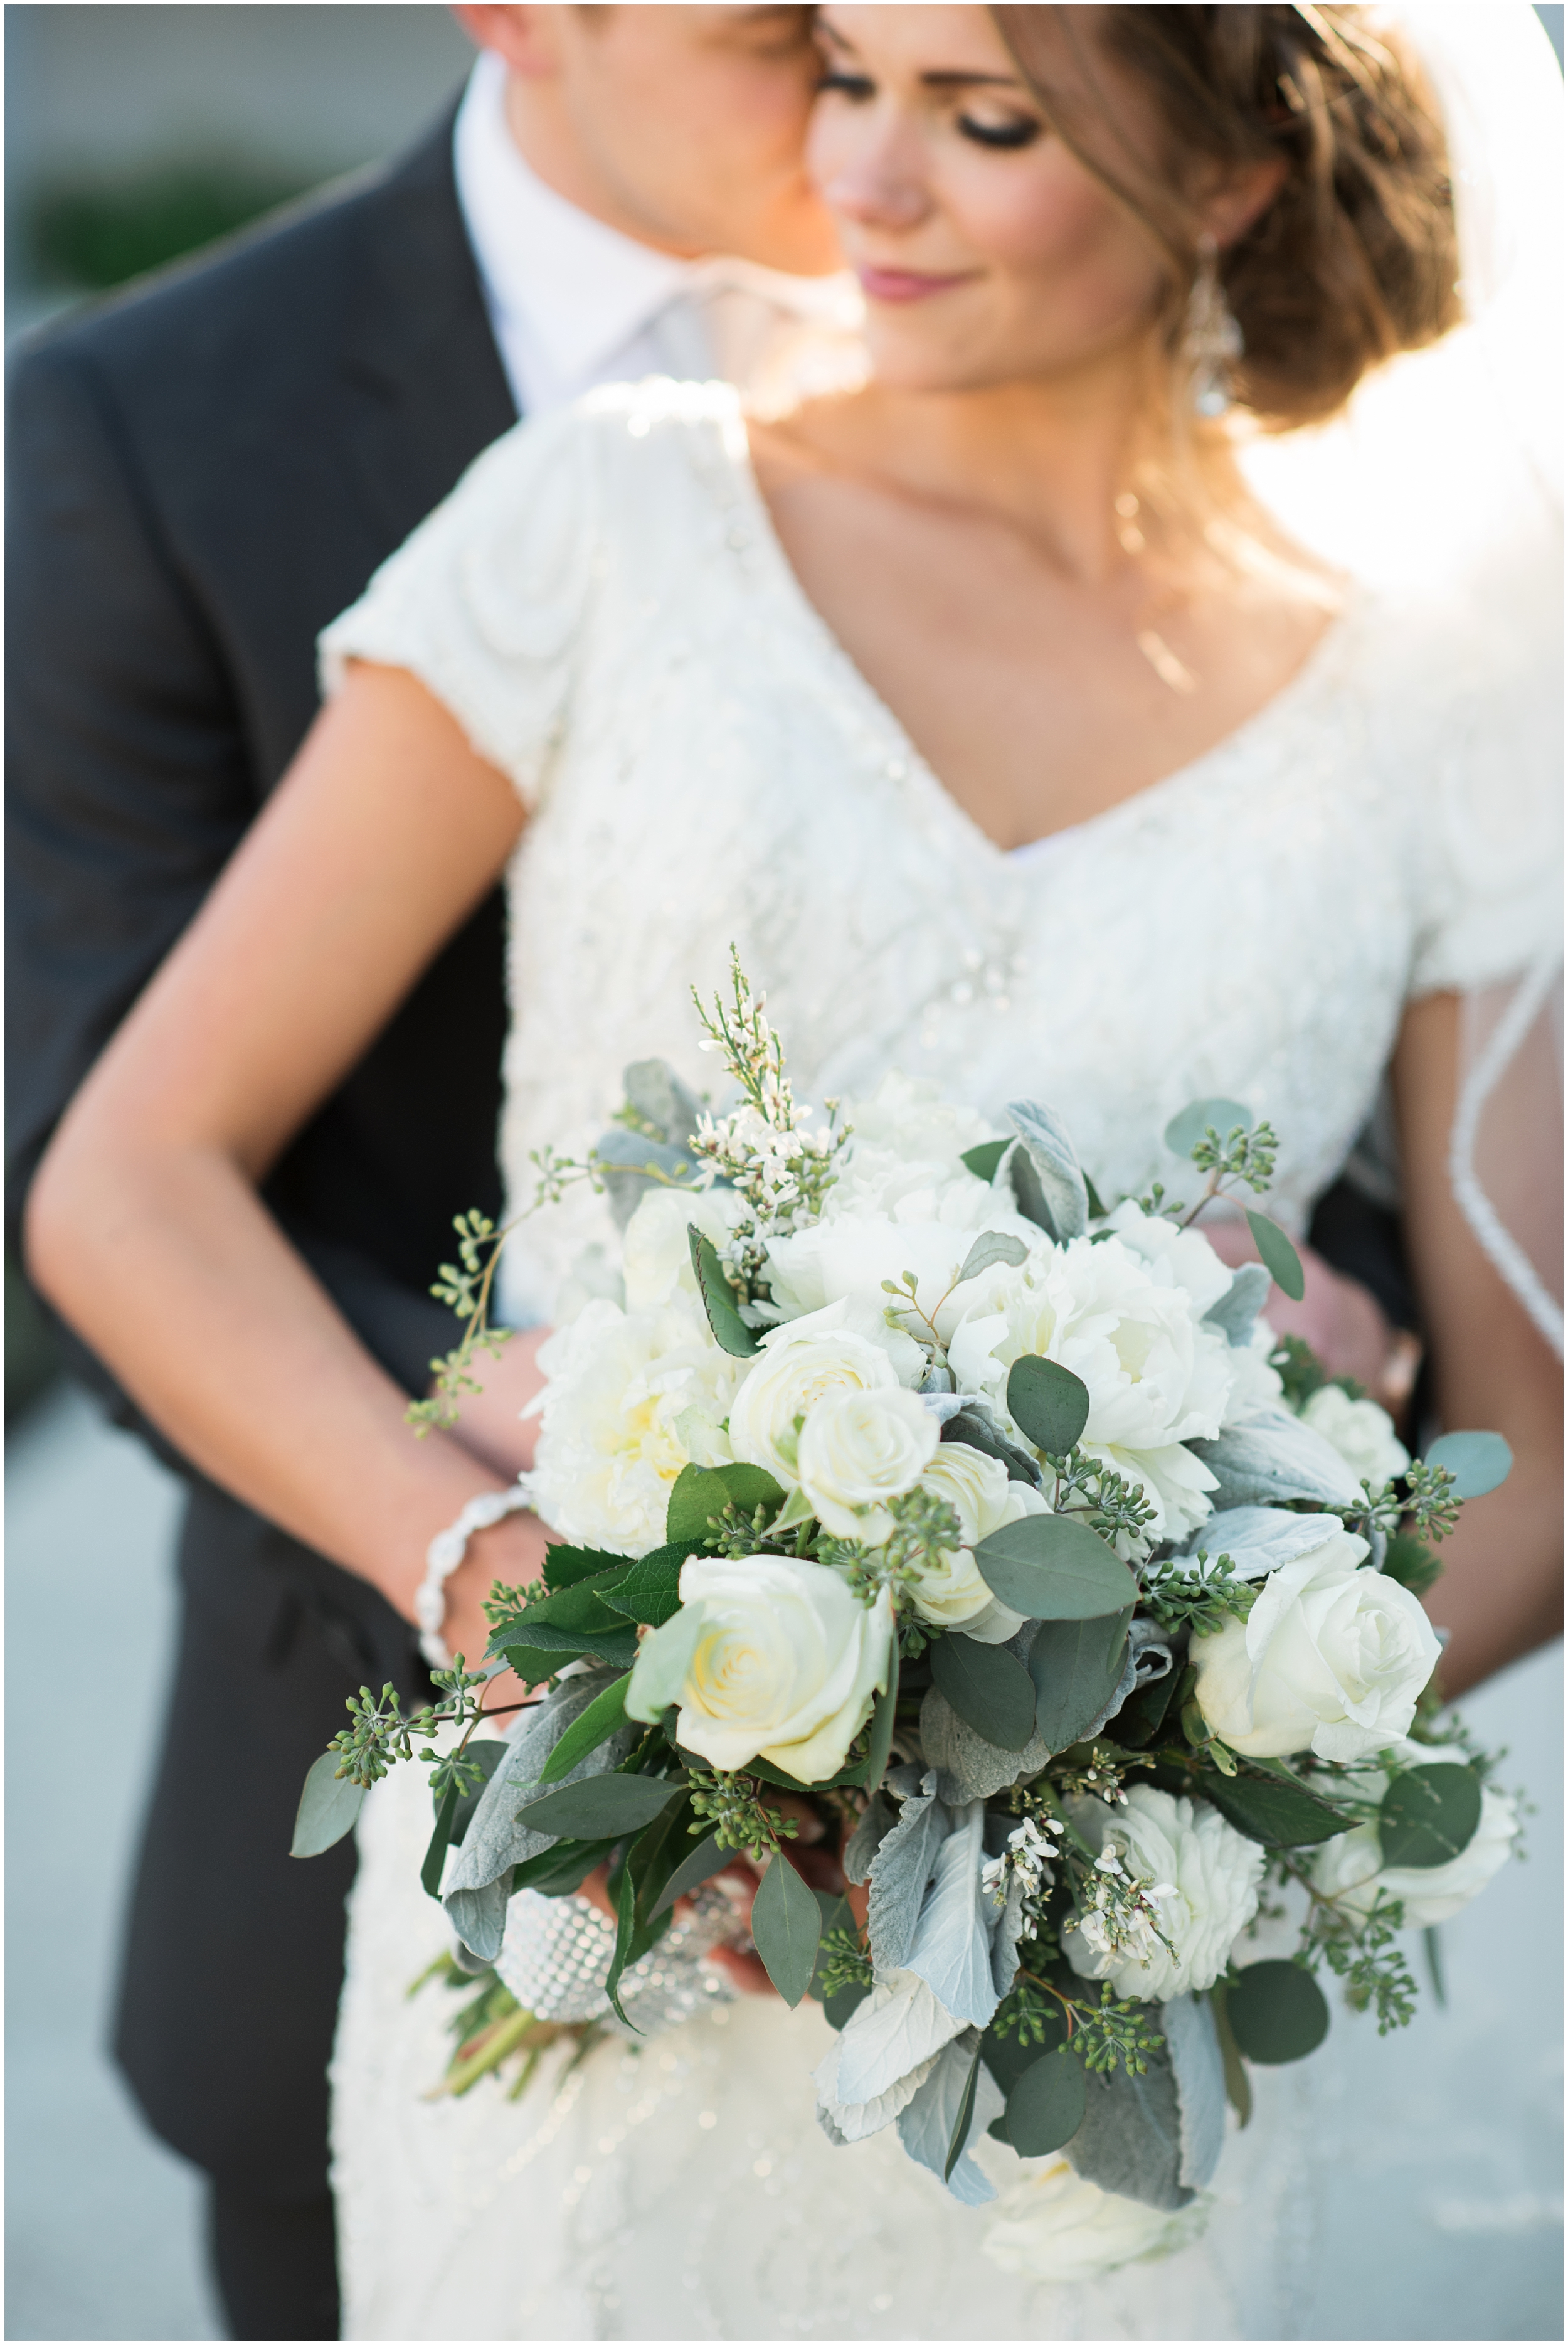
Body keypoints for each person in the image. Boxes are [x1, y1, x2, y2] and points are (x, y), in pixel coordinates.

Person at [20, 1, 1560, 2337]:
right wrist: (501, 1599)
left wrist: (1158, 1742)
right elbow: (125, 1176)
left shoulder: (1431, 695)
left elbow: (1531, 1443)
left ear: (1235, 173)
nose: (865, 176)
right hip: (587, 1998)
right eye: (849, 76)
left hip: (1081, 2058)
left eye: (985, 117)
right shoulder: (614, 511)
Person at [5, 8, 851, 2334]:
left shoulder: (1028, 323)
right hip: (363, 1774)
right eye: (788, 32)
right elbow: (87, 1148)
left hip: (977, 1923)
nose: (866, 93)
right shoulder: (145, 421)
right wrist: (578, 1500)